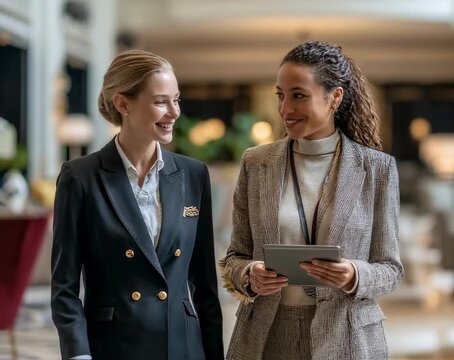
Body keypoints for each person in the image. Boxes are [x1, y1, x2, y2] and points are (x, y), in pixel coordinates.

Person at [220, 41, 403, 360]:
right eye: (281, 95)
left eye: (298, 95)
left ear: (335, 97)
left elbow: (391, 269)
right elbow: (235, 255)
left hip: (346, 337)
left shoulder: (377, 168)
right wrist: (250, 273)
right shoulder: (256, 163)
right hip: (266, 334)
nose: (285, 109)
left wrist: (354, 275)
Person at [51, 50, 224, 360]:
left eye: (177, 100)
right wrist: (78, 354)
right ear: (123, 103)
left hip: (182, 347)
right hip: (113, 347)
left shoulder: (193, 174)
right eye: (161, 102)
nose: (174, 112)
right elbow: (64, 289)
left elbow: (205, 287)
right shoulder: (80, 177)